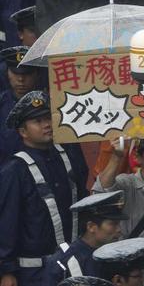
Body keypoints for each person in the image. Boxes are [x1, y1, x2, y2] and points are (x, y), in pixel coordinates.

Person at [0, 91, 87, 285]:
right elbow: (6, 223)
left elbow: (82, 200)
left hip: (72, 265)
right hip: (33, 273)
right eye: (38, 121)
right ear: (23, 132)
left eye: (48, 118)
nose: (47, 124)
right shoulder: (14, 170)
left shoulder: (67, 156)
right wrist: (6, 271)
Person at [44, 191, 127, 283]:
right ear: (91, 227)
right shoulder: (64, 261)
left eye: (119, 224)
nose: (119, 229)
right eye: (113, 224)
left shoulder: (116, 258)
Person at [0, 45, 41, 162]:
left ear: (37, 73)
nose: (21, 79)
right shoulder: (2, 104)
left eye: (26, 74)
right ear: (7, 73)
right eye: (15, 73)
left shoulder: (48, 104)